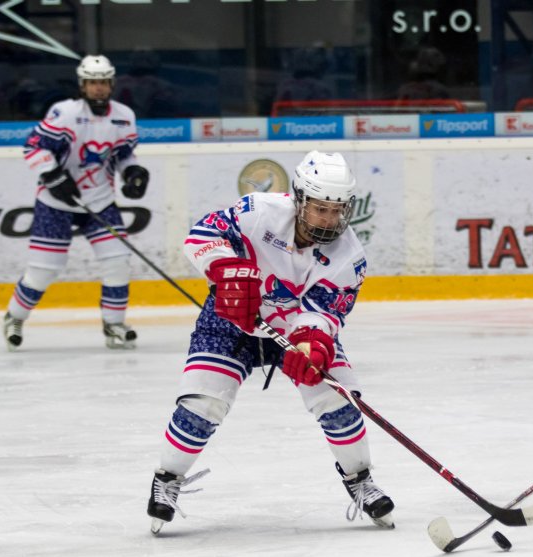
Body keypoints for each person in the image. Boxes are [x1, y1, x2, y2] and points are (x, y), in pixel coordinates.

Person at [145, 150, 394, 534]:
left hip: (293, 330)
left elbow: (325, 313)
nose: (329, 220)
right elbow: (202, 235)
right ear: (299, 199)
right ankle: (167, 479)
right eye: (320, 209)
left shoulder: (349, 256)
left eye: (337, 210)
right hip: (230, 322)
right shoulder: (258, 212)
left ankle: (360, 480)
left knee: (339, 403)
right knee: (202, 405)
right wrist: (226, 270)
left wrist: (312, 344)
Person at [3, 54, 150, 351]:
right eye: (92, 82)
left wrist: (133, 173)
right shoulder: (65, 113)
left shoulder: (124, 116)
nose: (98, 87)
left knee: (118, 262)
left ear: (111, 83)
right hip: (55, 204)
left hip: (100, 201)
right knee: (44, 269)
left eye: (103, 82)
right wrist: (53, 175)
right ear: (82, 85)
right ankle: (14, 317)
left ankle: (114, 325)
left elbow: (124, 156)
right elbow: (34, 147)